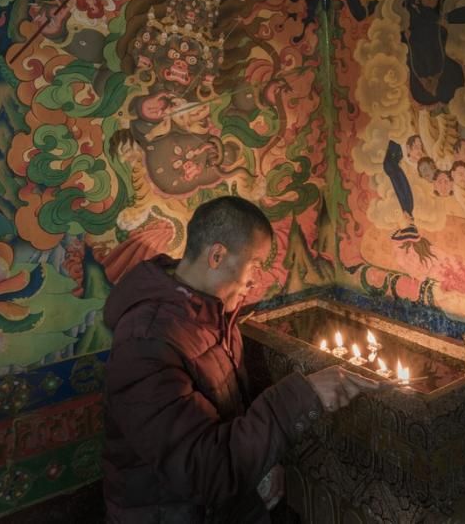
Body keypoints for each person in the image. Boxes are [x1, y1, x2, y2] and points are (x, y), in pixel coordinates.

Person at [102, 195, 379, 522]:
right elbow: (203, 470)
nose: (255, 280)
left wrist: (264, 463)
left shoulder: (214, 313)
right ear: (217, 255)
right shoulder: (146, 341)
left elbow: (233, 412)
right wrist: (305, 395)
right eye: (255, 264)